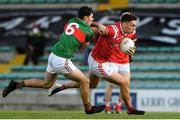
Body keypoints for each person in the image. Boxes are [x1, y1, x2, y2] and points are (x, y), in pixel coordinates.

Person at [2, 6, 106, 114]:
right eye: (91, 17)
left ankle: (16, 84)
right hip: (62, 59)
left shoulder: (72, 21)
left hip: (53, 56)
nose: (93, 20)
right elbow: (81, 49)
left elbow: (84, 28)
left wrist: (96, 26)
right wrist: (94, 31)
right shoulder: (88, 33)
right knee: (85, 81)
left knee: (46, 84)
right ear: (85, 18)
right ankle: (88, 108)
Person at [48, 14, 145, 115]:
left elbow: (123, 44)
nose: (134, 28)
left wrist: (129, 54)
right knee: (124, 83)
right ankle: (130, 109)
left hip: (98, 59)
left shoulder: (129, 33)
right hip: (98, 62)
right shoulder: (111, 30)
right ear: (124, 24)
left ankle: (60, 86)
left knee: (92, 85)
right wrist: (98, 24)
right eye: (132, 25)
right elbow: (86, 27)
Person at [104, 9, 136, 114]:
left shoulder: (132, 30)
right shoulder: (114, 28)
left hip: (124, 61)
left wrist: (131, 55)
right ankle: (107, 107)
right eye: (125, 15)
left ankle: (118, 106)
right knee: (110, 84)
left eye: (128, 15)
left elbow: (132, 44)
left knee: (125, 85)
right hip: (113, 60)